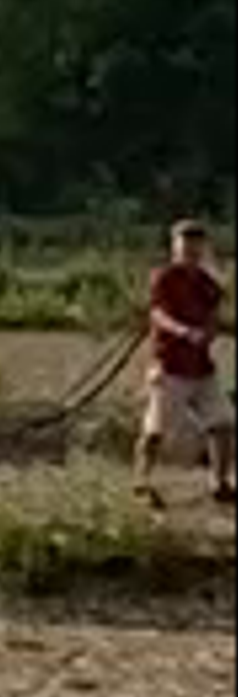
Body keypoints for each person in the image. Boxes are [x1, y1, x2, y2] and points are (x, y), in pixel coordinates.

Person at [136, 214, 229, 504]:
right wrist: (185, 332)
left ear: (203, 248)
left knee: (224, 424)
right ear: (175, 248)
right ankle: (142, 482)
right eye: (186, 247)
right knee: (155, 432)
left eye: (196, 247)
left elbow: (215, 317)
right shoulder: (163, 278)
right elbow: (157, 314)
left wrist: (210, 332)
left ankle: (219, 483)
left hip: (202, 369)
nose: (191, 253)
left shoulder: (208, 283)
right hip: (170, 365)